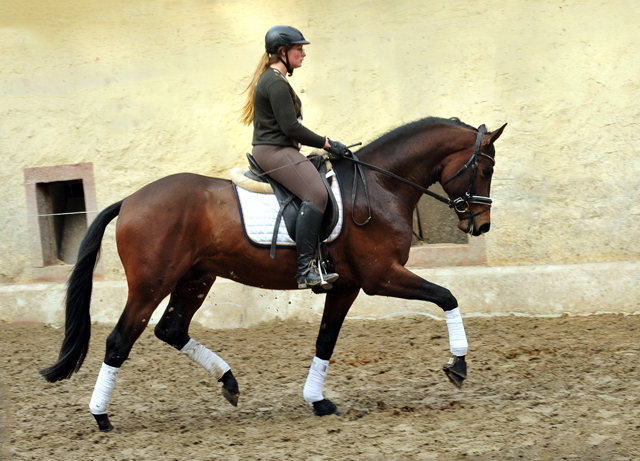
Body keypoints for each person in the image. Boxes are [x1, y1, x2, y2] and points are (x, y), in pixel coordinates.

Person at [241, 25, 347, 289]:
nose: (303, 54)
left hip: (280, 149)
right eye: (299, 49)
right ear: (283, 52)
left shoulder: (275, 79)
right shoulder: (275, 82)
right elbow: (291, 128)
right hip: (274, 151)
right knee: (318, 195)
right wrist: (327, 143)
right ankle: (305, 270)